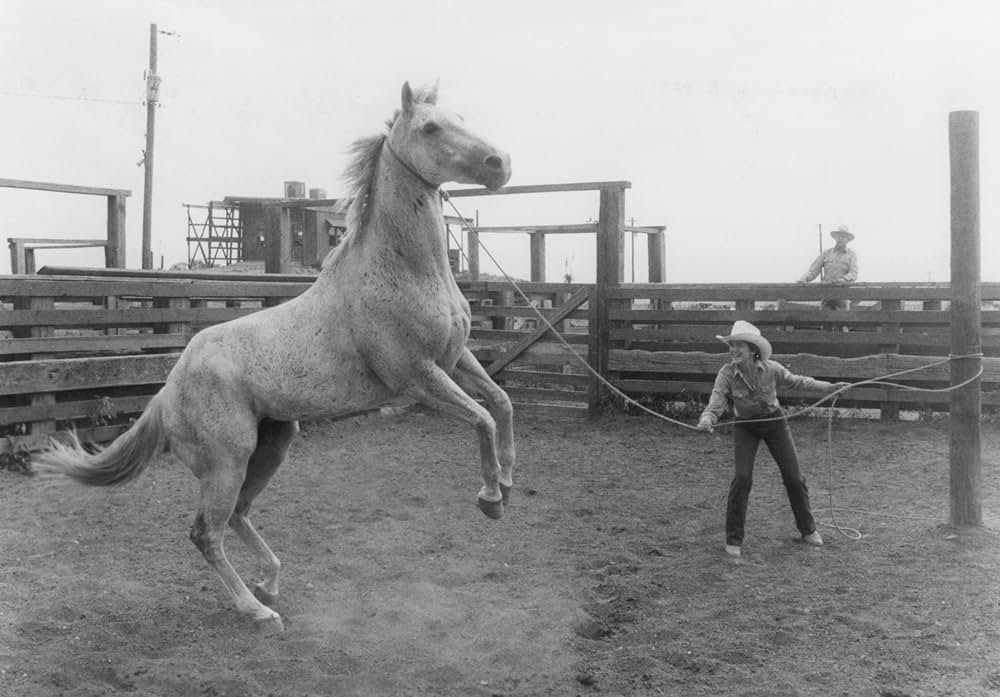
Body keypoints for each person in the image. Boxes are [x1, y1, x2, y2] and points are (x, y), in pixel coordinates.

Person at [695, 321, 850, 558]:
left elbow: (799, 381)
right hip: (744, 426)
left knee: (794, 477)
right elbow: (715, 404)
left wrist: (829, 388)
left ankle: (808, 530)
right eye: (732, 345)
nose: (734, 350)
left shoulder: (772, 369)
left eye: (739, 346)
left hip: (775, 423)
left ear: (752, 349)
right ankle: (733, 539)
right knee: (742, 478)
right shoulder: (726, 374)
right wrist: (707, 420)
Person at [797, 225, 858, 310]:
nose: (841, 239)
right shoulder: (826, 253)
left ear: (848, 240)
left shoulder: (851, 255)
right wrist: (804, 278)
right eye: (839, 236)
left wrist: (844, 280)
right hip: (826, 293)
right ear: (835, 238)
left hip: (842, 295)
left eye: (844, 237)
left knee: (842, 320)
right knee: (824, 319)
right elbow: (814, 270)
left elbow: (853, 273)